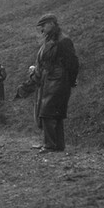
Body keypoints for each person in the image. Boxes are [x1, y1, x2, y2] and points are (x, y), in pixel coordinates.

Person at [17, 13, 80, 153]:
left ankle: (50, 145)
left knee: (48, 112)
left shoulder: (64, 41)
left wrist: (71, 80)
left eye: (44, 26)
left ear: (52, 24)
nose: (42, 29)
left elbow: (73, 63)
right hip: (49, 79)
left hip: (59, 80)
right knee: (51, 112)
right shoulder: (50, 40)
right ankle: (55, 144)